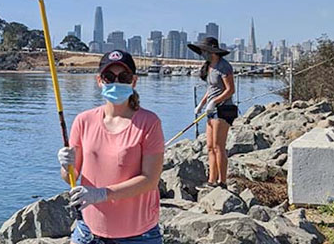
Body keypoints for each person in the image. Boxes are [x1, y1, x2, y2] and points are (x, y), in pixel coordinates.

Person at [57, 50, 165, 244]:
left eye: (123, 77)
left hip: (138, 236)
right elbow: (70, 177)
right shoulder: (83, 121)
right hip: (87, 232)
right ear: (99, 80)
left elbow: (150, 180)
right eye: (109, 77)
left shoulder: (149, 122)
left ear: (133, 81)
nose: (116, 82)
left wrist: (102, 194)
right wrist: (66, 165)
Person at [188, 37, 237, 189]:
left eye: (204, 51)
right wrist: (202, 104)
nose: (202, 54)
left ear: (212, 51)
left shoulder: (224, 66)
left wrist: (215, 101)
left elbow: (230, 90)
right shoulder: (209, 66)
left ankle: (222, 182)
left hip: (222, 110)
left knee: (218, 146)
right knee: (209, 146)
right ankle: (211, 180)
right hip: (211, 110)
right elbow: (211, 90)